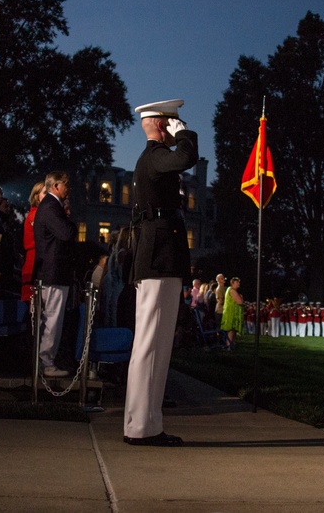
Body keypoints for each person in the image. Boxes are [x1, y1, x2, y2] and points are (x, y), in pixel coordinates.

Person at [123, 99, 198, 447]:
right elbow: (186, 157)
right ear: (161, 124)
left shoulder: (154, 159)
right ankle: (141, 425)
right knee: (151, 342)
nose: (176, 127)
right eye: (173, 122)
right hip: (159, 257)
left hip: (161, 256)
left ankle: (147, 423)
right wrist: (187, 135)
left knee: (156, 343)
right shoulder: (155, 156)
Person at [33, 170, 78, 377]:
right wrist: (70, 221)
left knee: (53, 318)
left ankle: (46, 360)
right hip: (53, 272)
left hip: (54, 271)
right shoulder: (51, 207)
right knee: (52, 319)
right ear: (56, 186)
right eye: (65, 184)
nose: (68, 188)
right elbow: (66, 233)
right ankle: (46, 361)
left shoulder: (50, 207)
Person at [20, 181, 46, 303]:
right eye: (45, 193)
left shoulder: (38, 215)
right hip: (34, 263)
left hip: (38, 262)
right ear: (36, 196)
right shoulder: (35, 215)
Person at [220, 276, 244, 346]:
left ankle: (231, 344)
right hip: (231, 313)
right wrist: (241, 297)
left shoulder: (230, 290)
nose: (239, 283)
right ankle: (229, 345)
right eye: (237, 282)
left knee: (232, 330)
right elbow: (240, 302)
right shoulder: (232, 290)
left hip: (231, 312)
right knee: (231, 329)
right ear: (232, 283)